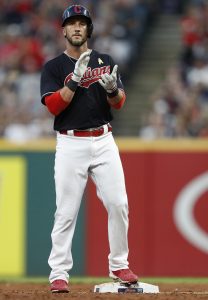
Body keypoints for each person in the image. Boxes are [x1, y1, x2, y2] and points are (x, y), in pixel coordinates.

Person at [40, 4, 138, 293]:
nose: (77, 27)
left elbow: (119, 103)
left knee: (119, 203)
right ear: (64, 30)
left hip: (104, 139)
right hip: (71, 142)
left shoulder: (105, 60)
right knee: (66, 212)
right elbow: (53, 106)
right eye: (72, 23)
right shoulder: (54, 67)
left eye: (82, 23)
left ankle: (119, 264)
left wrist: (111, 90)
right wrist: (74, 79)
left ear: (89, 29)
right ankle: (59, 273)